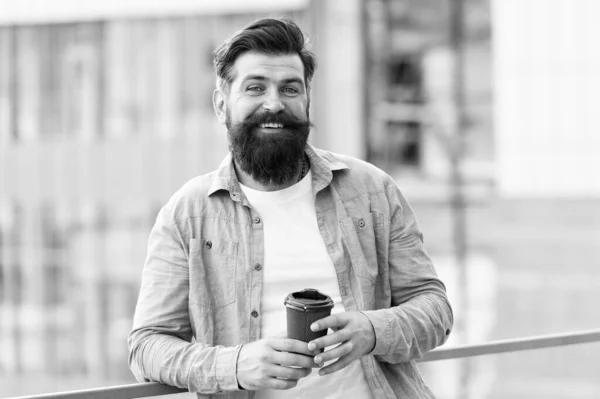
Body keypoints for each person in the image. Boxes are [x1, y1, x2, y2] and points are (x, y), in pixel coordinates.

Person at [128, 18, 453, 399]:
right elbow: (146, 347)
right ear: (222, 104)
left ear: (306, 100)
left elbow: (435, 309)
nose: (274, 103)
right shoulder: (187, 215)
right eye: (255, 88)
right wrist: (235, 366)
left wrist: (374, 330)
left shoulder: (372, 190)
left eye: (289, 88)